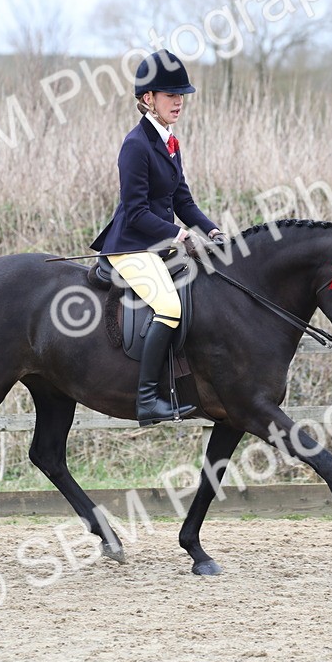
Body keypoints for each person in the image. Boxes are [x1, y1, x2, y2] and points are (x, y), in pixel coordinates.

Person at [90, 49, 228, 426]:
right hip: (131, 246)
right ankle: (148, 400)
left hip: (158, 243)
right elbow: (135, 211)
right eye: (171, 95)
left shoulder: (170, 142)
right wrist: (178, 234)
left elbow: (182, 199)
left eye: (181, 95)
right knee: (170, 307)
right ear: (148, 99)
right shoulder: (135, 145)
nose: (179, 101)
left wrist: (212, 230)